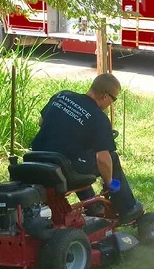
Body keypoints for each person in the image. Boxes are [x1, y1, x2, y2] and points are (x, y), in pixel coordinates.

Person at [31, 73, 144, 224]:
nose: (112, 103)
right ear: (105, 96)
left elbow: (41, 121)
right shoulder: (98, 118)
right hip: (63, 170)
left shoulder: (62, 96)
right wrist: (110, 182)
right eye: (114, 99)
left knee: (81, 156)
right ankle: (127, 207)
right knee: (111, 157)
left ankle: (94, 207)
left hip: (36, 159)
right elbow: (103, 159)